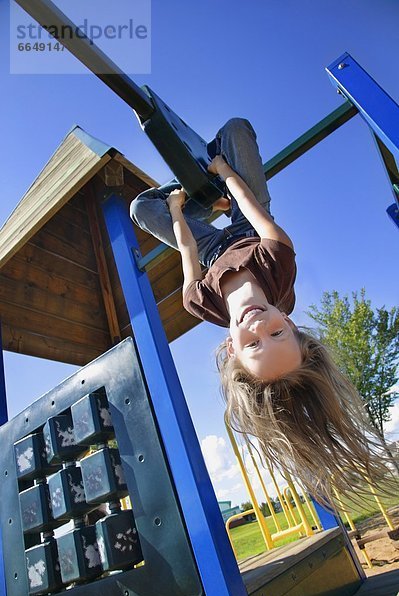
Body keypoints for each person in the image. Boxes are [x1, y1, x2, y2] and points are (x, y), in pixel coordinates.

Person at [131, 118, 393, 506]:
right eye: (275, 333)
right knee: (237, 129)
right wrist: (224, 172)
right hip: (248, 225)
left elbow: (187, 252)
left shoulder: (201, 302)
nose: (258, 325)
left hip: (209, 248)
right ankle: (219, 190)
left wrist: (174, 210)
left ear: (232, 348)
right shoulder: (279, 262)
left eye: (253, 343)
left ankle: (201, 200)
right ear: (287, 321)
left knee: (141, 208)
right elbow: (256, 214)